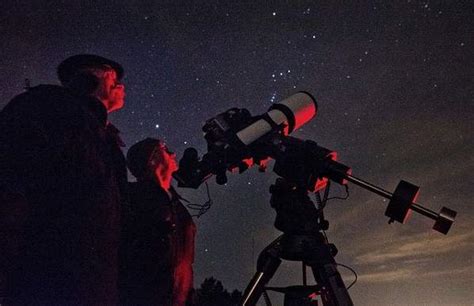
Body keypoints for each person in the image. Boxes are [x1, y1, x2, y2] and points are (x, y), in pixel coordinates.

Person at [0, 54, 128, 305]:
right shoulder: (48, 109)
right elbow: (11, 186)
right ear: (94, 79)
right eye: (114, 80)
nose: (122, 87)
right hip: (50, 284)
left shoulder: (103, 137)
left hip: (90, 287)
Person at [120, 138, 196, 306]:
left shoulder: (177, 207)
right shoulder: (133, 198)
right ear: (152, 159)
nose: (173, 153)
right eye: (164, 149)